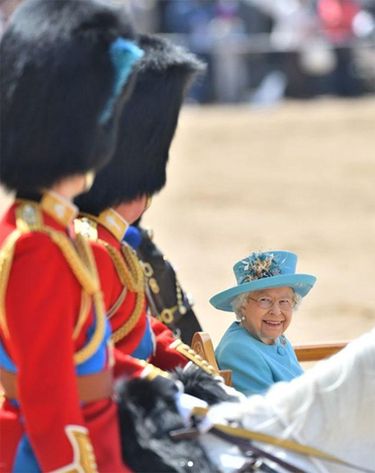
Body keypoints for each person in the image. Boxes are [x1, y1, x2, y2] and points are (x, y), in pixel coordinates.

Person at [0, 0, 143, 471]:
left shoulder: (59, 232)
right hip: (54, 452)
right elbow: (46, 394)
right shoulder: (36, 246)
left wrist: (162, 387)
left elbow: (94, 354)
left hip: (97, 428)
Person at [75, 34, 208, 379]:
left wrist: (201, 376)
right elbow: (92, 353)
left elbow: (142, 331)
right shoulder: (90, 248)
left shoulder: (115, 244)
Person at [210, 250, 316, 395]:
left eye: (284, 301)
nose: (276, 311)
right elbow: (267, 412)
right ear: (243, 305)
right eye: (265, 300)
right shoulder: (239, 349)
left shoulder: (277, 339)